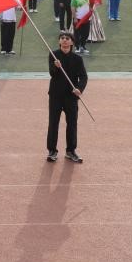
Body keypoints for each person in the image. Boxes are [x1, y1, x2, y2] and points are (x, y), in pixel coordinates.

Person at [46, 31, 87, 164]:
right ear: (59, 41)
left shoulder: (77, 59)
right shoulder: (53, 55)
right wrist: (55, 66)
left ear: (72, 42)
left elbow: (83, 76)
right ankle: (52, 151)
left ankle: (71, 151)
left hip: (71, 96)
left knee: (72, 123)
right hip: (55, 96)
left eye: (67, 38)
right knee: (53, 123)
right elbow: (52, 73)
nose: (64, 40)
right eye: (62, 38)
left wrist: (79, 89)